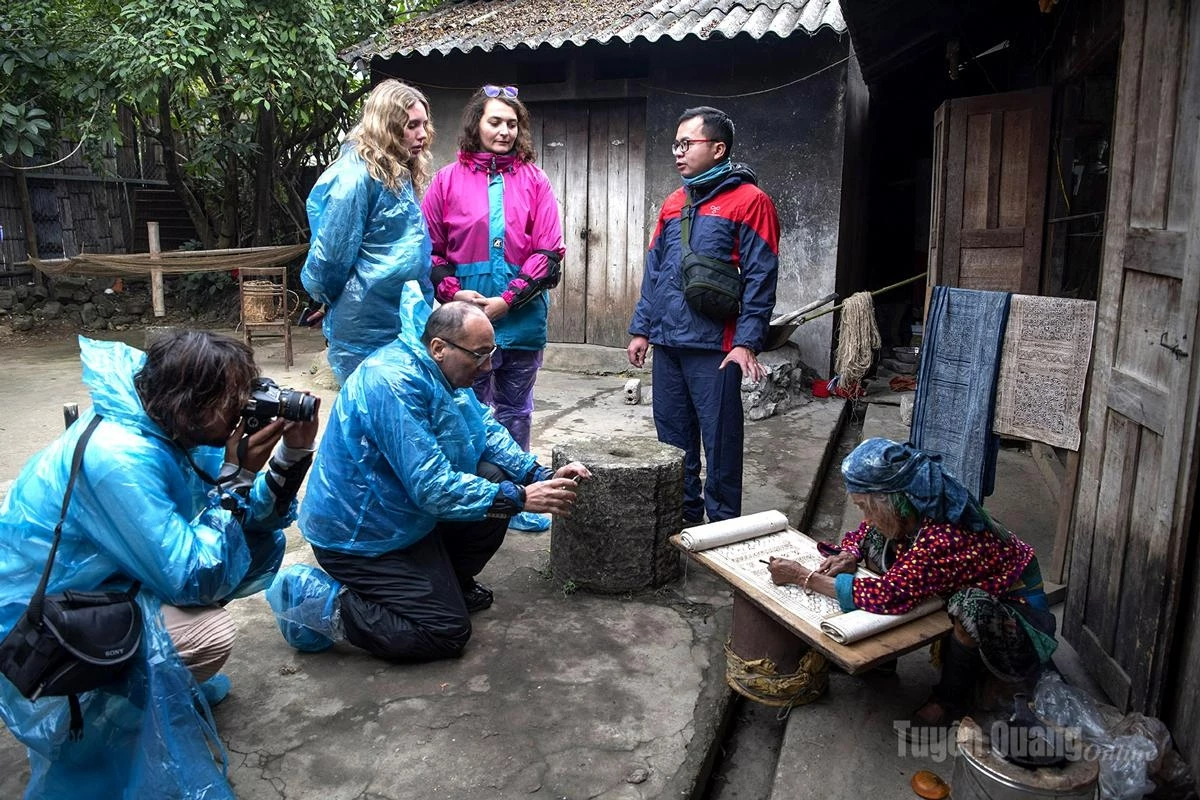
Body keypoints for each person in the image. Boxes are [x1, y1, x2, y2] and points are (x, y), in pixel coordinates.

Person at [0, 332, 320, 799]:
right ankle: (114, 714)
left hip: (111, 582)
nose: (242, 413)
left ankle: (158, 684)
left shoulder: (171, 423)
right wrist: (238, 477)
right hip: (42, 624)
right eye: (232, 402)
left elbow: (251, 521)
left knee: (255, 543)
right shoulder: (119, 456)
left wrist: (291, 455)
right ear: (189, 401)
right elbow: (193, 578)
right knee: (208, 632)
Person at [267, 300, 590, 663]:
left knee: (492, 477)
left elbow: (483, 428)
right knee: (445, 631)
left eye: (491, 353)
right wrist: (517, 498)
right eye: (479, 355)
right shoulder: (392, 383)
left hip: (401, 517)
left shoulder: (440, 369)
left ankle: (446, 584)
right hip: (358, 535)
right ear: (439, 347)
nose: (487, 367)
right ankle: (317, 600)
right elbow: (433, 487)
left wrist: (537, 475)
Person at [766, 438, 1058, 727]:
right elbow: (865, 531)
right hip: (962, 576)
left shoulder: (943, 535)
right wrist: (849, 554)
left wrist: (804, 577)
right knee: (878, 538)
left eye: (865, 507)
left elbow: (889, 595)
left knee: (970, 607)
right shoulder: (911, 502)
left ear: (890, 500)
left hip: (1018, 614)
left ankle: (949, 700)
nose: (865, 517)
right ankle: (881, 662)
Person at [422, 84, 566, 532]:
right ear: (476, 125)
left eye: (512, 123)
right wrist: (451, 293)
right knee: (464, 411)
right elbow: (431, 248)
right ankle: (472, 496)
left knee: (515, 409)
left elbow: (548, 253)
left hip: (520, 320)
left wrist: (506, 302)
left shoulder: (535, 180)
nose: (504, 131)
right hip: (463, 324)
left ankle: (520, 499)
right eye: (495, 121)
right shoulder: (446, 180)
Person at [627, 105, 779, 524]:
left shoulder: (751, 202)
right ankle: (685, 519)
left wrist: (747, 342)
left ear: (717, 148)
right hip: (668, 343)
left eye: (686, 143)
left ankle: (724, 525)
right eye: (675, 144)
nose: (677, 152)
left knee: (720, 440)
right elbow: (655, 269)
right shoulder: (674, 202)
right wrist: (642, 329)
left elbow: (761, 277)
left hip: (717, 346)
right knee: (673, 441)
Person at [301, 78, 436, 385]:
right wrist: (325, 297)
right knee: (369, 417)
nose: (423, 135)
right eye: (412, 125)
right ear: (387, 125)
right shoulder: (355, 178)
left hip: (399, 315)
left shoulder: (398, 172)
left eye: (424, 124)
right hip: (364, 323)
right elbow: (330, 259)